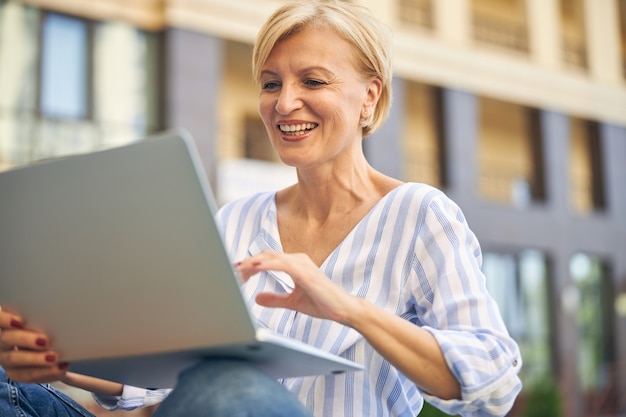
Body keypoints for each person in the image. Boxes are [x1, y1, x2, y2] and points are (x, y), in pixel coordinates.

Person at [0, 0, 523, 416]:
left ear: (370, 97)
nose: (284, 102)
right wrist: (57, 361)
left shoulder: (420, 216)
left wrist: (350, 310)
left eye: (312, 81)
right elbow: (161, 381)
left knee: (231, 385)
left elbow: (494, 386)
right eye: (271, 84)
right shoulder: (234, 221)